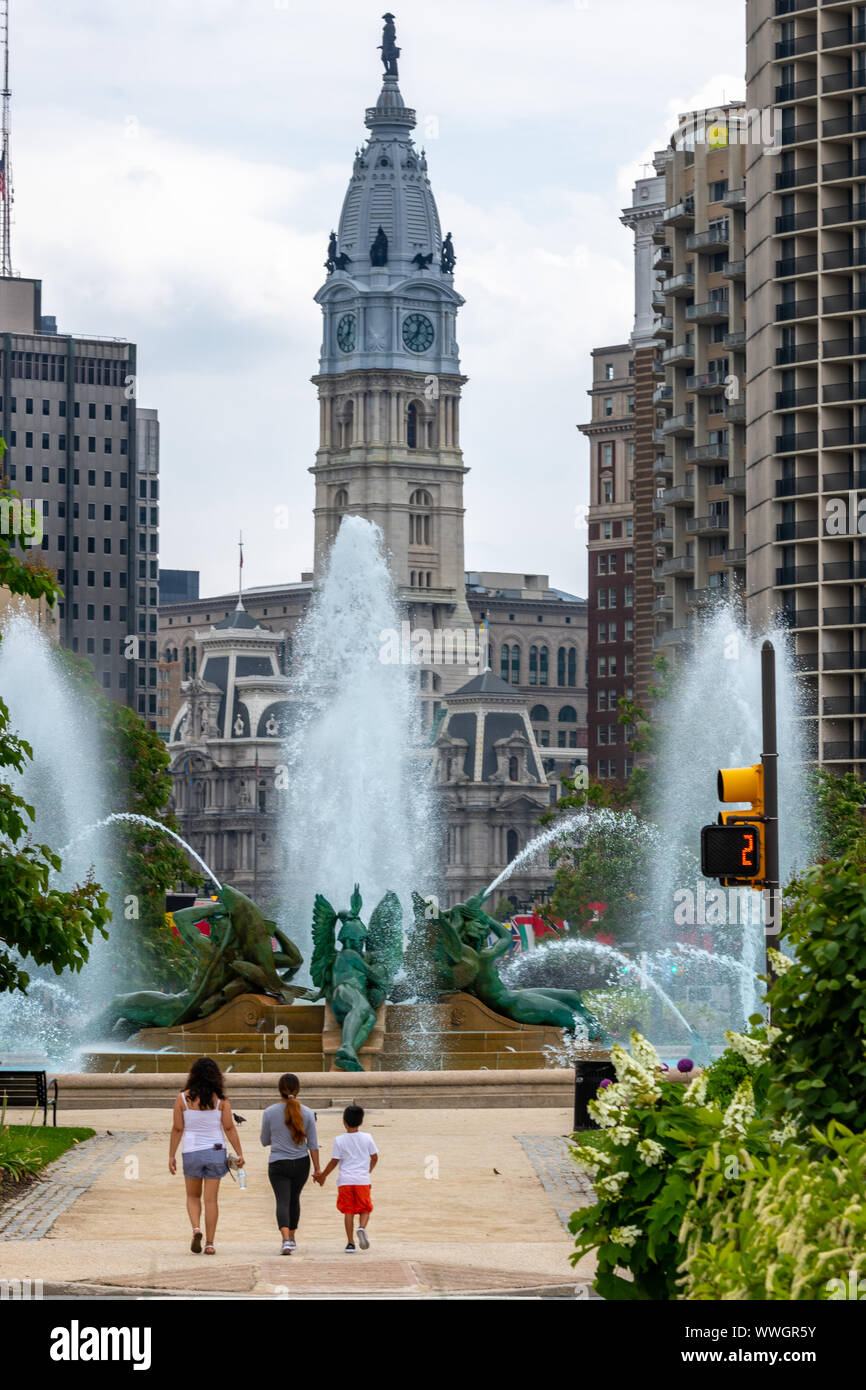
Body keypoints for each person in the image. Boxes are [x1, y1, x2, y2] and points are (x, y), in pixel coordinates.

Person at [168, 1056, 244, 1256]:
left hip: (191, 1152)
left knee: (193, 1196)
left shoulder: (183, 1098)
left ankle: (196, 1229)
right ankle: (210, 1243)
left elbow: (177, 1129)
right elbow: (229, 1128)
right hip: (215, 1151)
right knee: (211, 1200)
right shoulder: (221, 1101)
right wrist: (239, 1153)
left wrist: (171, 1155)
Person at [260, 1072, 321, 1255]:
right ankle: (292, 1237)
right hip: (301, 1163)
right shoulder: (308, 1113)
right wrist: (318, 1169)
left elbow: (264, 1140)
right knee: (294, 1199)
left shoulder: (269, 1112)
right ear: (298, 1090)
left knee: (282, 1200)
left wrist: (278, 1138)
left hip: (278, 1163)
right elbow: (313, 1145)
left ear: (279, 1091)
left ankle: (285, 1238)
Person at [315, 1104, 378, 1252]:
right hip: (362, 1180)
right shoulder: (367, 1137)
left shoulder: (339, 1140)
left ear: (344, 1121)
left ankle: (350, 1243)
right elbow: (374, 1157)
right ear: (361, 1122)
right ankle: (362, 1228)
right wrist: (367, 1171)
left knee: (348, 1211)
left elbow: (334, 1161)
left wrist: (322, 1175)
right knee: (365, 1208)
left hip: (345, 1181)